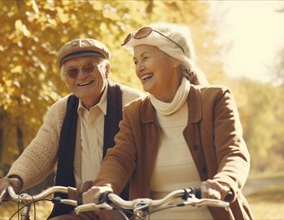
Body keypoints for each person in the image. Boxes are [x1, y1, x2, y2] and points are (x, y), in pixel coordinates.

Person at [82, 22, 254, 220]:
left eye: (145, 58)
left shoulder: (215, 99)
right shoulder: (135, 113)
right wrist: (103, 185)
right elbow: (120, 158)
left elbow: (234, 153)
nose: (139, 68)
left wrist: (223, 183)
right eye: (136, 61)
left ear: (175, 59)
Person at [0, 38, 145, 219]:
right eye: (72, 72)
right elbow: (39, 152)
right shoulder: (61, 110)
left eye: (89, 67)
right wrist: (15, 179)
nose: (81, 76)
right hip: (79, 207)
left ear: (107, 70)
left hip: (126, 206)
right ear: (66, 80)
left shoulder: (134, 103)